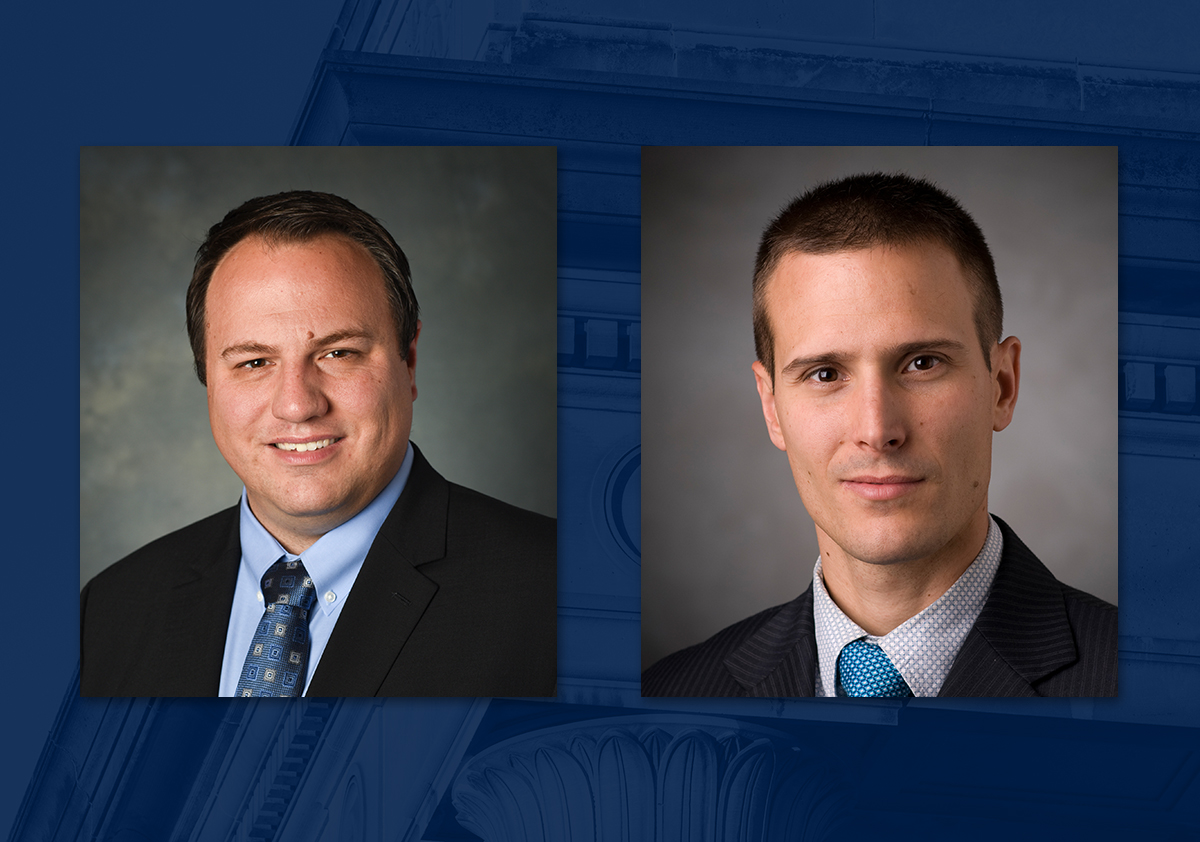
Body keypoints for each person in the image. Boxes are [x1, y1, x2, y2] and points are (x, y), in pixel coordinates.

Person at [642, 173, 1116, 698]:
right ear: (771, 406)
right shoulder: (671, 699)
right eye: (825, 374)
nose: (876, 430)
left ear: (1002, 386)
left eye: (922, 363)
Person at [80, 190, 556, 697]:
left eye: (338, 352)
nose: (297, 405)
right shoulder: (111, 611)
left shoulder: (555, 594)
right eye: (254, 362)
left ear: (409, 360)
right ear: (207, 380)